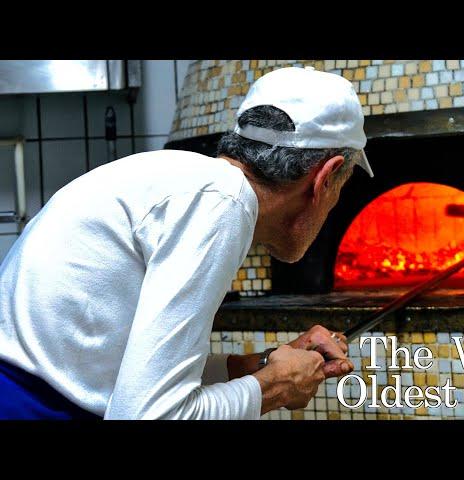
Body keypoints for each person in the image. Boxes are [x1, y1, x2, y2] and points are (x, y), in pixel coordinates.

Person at [0, 66, 374, 419]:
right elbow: (151, 414)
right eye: (343, 185)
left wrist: (259, 365)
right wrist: (274, 387)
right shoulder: (222, 205)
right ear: (324, 179)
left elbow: (135, 376)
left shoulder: (191, 185)